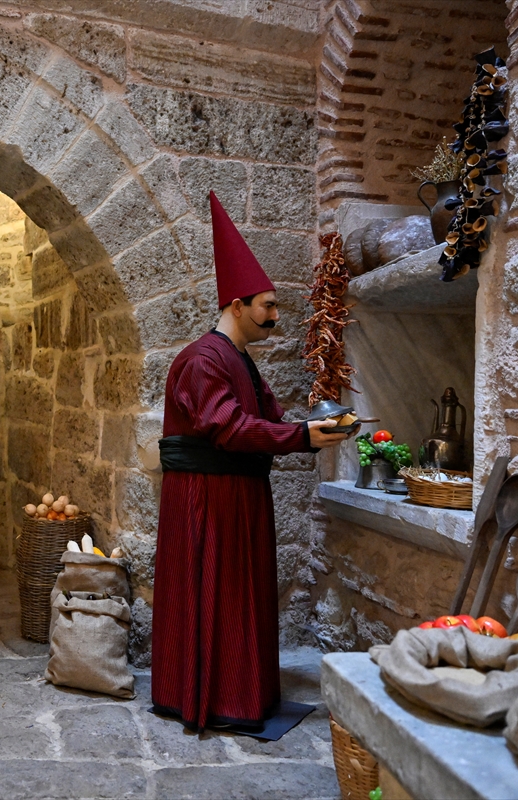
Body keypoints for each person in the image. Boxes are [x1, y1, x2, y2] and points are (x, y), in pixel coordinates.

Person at [150, 191, 350, 732]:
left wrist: (310, 426)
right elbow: (229, 428)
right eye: (268, 306)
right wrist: (301, 439)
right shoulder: (201, 359)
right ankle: (207, 699)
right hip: (207, 503)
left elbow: (269, 415)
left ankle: (243, 697)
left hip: (239, 497)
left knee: (241, 600)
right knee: (218, 595)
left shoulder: (240, 359)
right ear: (237, 306)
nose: (275, 316)